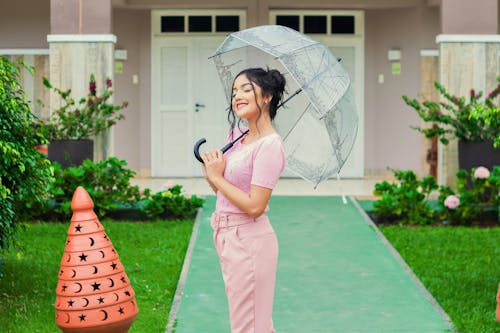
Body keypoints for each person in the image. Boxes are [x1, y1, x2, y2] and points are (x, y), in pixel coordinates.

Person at [201, 67, 287, 333]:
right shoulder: (236, 138)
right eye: (234, 91)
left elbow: (254, 206)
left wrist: (218, 178)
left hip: (249, 241)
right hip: (227, 235)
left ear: (267, 97)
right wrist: (212, 174)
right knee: (255, 324)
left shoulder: (270, 146)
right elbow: (225, 195)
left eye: (246, 89)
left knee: (248, 326)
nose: (237, 96)